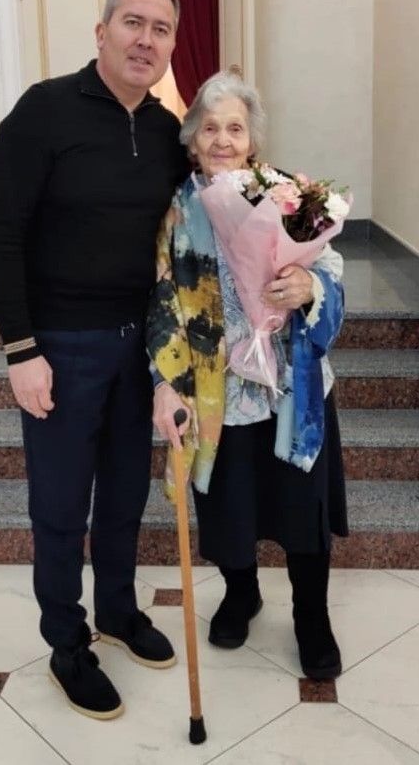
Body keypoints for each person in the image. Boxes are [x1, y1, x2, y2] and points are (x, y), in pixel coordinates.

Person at [0, 0, 189, 720]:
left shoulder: (166, 132)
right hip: (61, 347)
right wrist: (20, 349)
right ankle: (67, 643)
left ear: (171, 46)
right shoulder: (43, 112)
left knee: (126, 495)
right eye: (133, 23)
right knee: (62, 505)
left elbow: (197, 228)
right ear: (101, 32)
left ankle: (118, 611)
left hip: (139, 350)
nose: (146, 40)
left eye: (161, 29)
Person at [148, 70, 348, 681]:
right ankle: (242, 593)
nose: (222, 140)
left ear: (252, 139)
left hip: (289, 385)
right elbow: (161, 299)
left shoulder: (287, 196)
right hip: (219, 394)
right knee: (228, 507)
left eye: (234, 128)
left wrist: (309, 284)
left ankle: (311, 615)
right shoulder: (177, 212)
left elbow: (331, 269)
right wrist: (163, 382)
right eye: (209, 128)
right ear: (192, 140)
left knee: (302, 509)